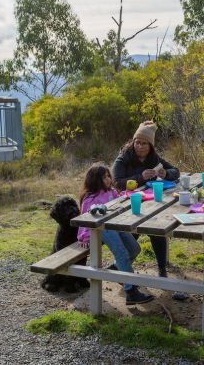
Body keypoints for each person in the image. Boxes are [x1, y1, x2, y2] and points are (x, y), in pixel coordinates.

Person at [112, 120, 187, 300]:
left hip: (151, 201)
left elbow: (176, 171)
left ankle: (161, 268)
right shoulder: (123, 158)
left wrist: (165, 174)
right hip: (126, 204)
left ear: (150, 145)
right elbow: (116, 181)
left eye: (144, 143)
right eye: (138, 142)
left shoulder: (154, 158)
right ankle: (120, 269)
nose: (140, 146)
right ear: (133, 141)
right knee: (132, 232)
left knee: (157, 230)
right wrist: (139, 177)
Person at [77, 162, 154, 305]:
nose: (108, 179)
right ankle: (131, 292)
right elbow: (84, 220)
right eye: (104, 177)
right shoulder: (90, 199)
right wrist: (84, 237)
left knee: (135, 249)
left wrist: (126, 195)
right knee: (122, 253)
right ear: (95, 180)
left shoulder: (111, 191)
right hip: (101, 229)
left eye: (108, 176)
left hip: (117, 225)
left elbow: (118, 200)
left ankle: (117, 268)